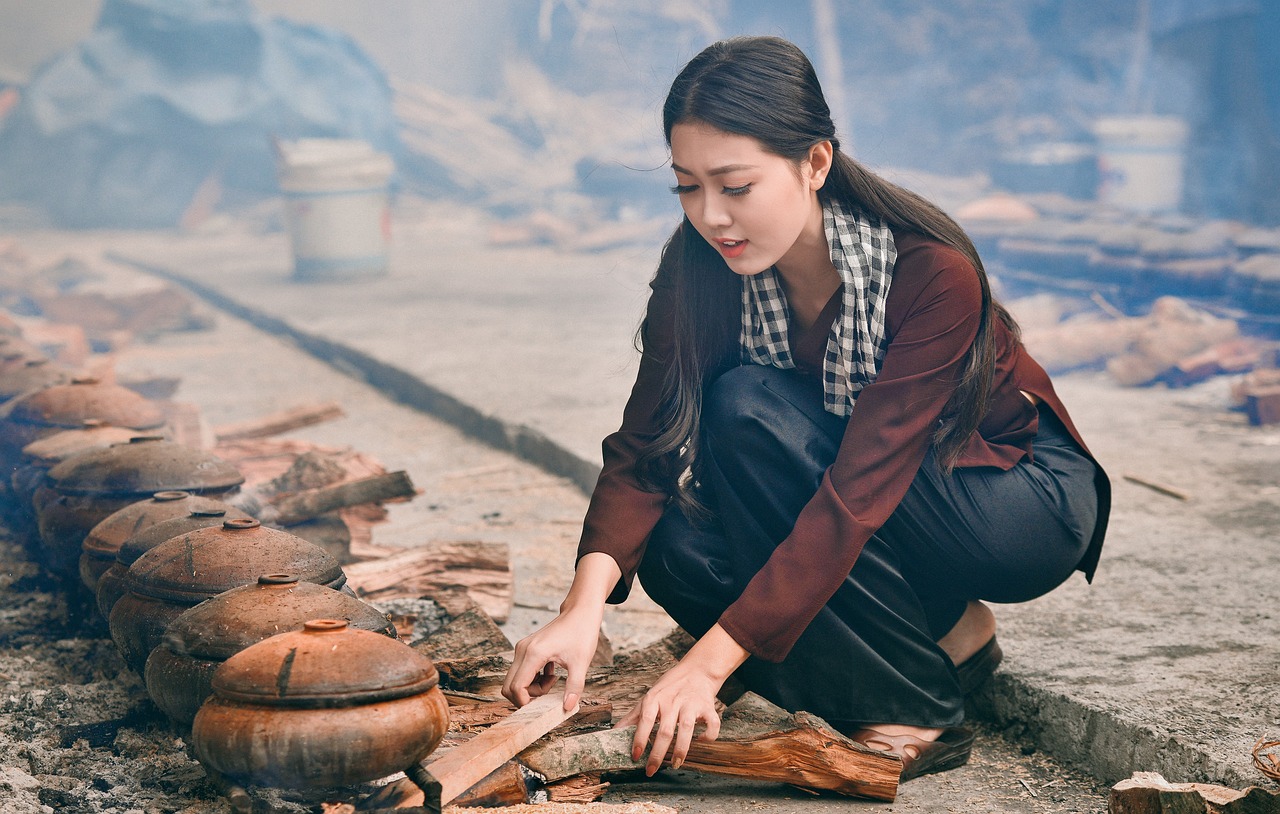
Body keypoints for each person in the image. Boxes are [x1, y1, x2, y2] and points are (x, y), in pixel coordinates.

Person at [502, 35, 1110, 783]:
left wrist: (705, 664)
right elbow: (646, 446)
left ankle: (910, 706)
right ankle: (946, 636)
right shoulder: (701, 269)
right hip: (871, 494)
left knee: (749, 408)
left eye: (735, 186)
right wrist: (582, 611)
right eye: (687, 187)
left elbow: (857, 491)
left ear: (815, 162)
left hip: (1007, 500)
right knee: (669, 542)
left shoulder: (928, 270)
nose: (711, 216)